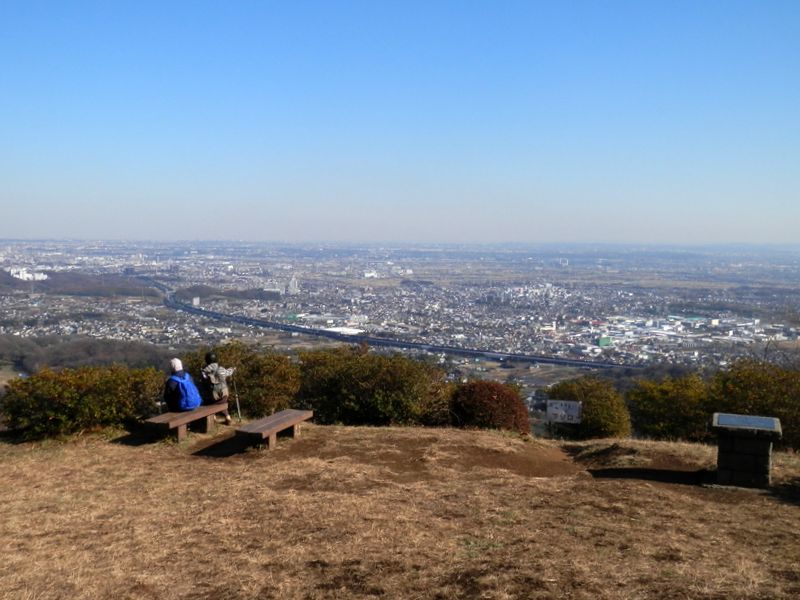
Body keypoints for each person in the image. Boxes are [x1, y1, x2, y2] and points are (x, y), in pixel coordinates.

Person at [201, 352, 234, 425]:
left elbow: (203, 382)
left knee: (209, 403)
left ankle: (214, 417)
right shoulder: (221, 369)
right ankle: (227, 416)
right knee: (223, 402)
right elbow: (228, 373)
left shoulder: (204, 372)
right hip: (224, 394)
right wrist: (232, 369)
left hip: (213, 396)